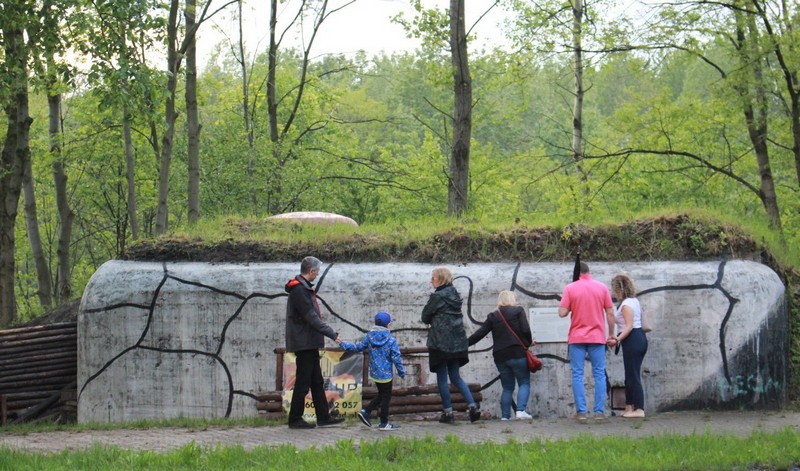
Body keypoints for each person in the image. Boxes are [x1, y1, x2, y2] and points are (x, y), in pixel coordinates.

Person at [284, 256, 345, 429]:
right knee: (303, 383)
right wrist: (332, 334)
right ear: (311, 271)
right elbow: (311, 317)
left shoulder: (302, 288)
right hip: (304, 343)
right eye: (317, 271)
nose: (317, 274)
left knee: (316, 382)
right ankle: (295, 419)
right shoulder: (299, 291)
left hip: (308, 342)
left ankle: (323, 417)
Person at [421, 266, 481, 424]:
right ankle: (473, 406)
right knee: (455, 377)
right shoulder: (455, 295)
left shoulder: (437, 296)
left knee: (442, 378)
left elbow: (425, 317)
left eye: (433, 278)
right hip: (457, 343)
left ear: (440, 279)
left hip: (440, 343)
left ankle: (448, 413)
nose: (431, 281)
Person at [558, 262, 615, 423]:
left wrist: (571, 306)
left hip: (577, 338)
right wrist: (611, 334)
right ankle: (599, 412)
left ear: (577, 273)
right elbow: (610, 312)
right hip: (597, 337)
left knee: (577, 374)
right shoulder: (602, 287)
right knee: (599, 374)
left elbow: (562, 313)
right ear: (589, 271)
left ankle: (581, 412)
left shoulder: (570, 288)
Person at [468, 290, 534, 421]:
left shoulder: (493, 315)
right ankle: (520, 411)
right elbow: (525, 329)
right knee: (524, 382)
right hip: (517, 353)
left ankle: (505, 416)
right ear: (512, 300)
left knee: (507, 387)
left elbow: (480, 333)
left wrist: (465, 344)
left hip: (500, 356)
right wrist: (527, 343)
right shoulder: (518, 311)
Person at [337, 311, 407, 431]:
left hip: (375, 373)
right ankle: (383, 423)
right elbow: (396, 357)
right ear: (388, 324)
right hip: (386, 375)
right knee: (386, 397)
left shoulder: (369, 337)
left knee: (382, 395)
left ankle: (366, 411)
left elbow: (357, 347)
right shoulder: (391, 340)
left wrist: (342, 343)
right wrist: (401, 372)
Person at [607, 274, 648, 418]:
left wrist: (617, 340)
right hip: (636, 339)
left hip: (633, 339)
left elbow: (629, 327)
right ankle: (629, 407)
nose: (613, 292)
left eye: (614, 289)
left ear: (619, 288)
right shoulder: (634, 301)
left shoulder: (626, 305)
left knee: (633, 375)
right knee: (630, 374)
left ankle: (639, 409)